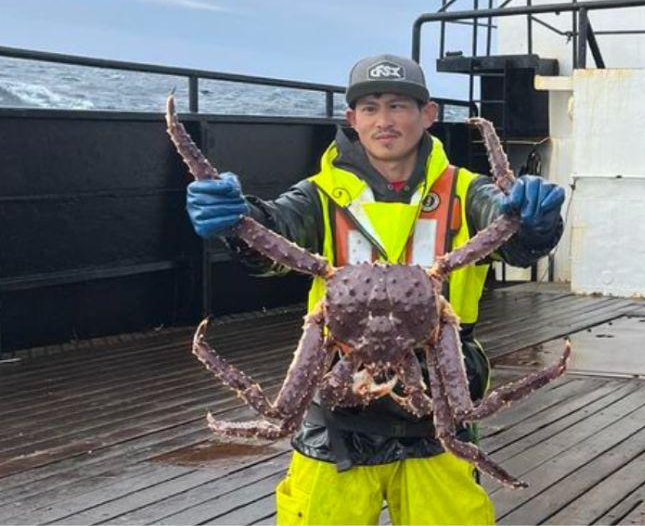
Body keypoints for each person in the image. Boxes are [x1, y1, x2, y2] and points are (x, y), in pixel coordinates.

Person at [184, 54, 565, 525]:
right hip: (335, 405)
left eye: (399, 105)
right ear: (352, 119)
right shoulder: (319, 194)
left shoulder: (467, 191)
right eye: (370, 108)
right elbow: (272, 232)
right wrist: (236, 221)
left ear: (428, 115)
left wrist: (535, 223)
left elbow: (509, 229)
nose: (384, 120)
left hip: (439, 395)